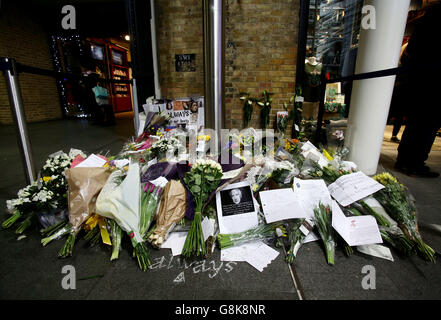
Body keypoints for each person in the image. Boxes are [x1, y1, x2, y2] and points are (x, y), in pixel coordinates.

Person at [395, 1, 441, 178]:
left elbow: (407, 57)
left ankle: (405, 160)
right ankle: (415, 163)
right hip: (431, 83)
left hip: (417, 81)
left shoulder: (423, 25)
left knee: (416, 124)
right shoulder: (434, 27)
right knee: (426, 125)